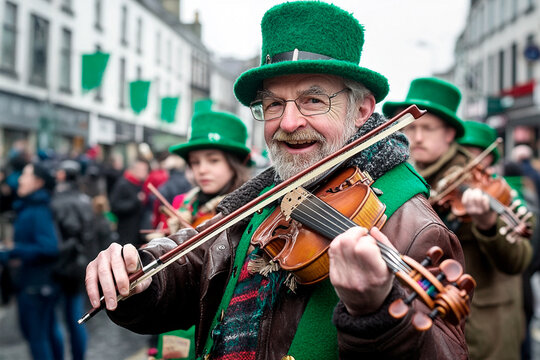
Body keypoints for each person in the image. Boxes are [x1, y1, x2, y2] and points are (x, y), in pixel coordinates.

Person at [85, 2, 467, 359]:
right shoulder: (270, 191)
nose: (288, 123)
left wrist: (378, 315)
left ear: (362, 110)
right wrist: (144, 273)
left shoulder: (417, 226)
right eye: (272, 104)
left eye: (314, 101)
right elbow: (204, 263)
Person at [383, 77, 534, 360]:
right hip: (416, 321)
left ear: (450, 134)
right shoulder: (401, 179)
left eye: (427, 128)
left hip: (478, 330)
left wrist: (488, 225)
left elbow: (519, 260)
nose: (416, 137)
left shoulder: (484, 183)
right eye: (410, 127)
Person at [153, 110, 252, 359]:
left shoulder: (249, 211)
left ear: (233, 162)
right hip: (177, 320)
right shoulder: (183, 204)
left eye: (213, 160)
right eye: (195, 162)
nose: (202, 170)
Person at [0, 161, 63, 360]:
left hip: (36, 284)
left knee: (37, 338)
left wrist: (13, 251)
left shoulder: (38, 209)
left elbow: (50, 247)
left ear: (37, 182)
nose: (20, 179)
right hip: (33, 282)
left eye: (25, 175)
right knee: (45, 334)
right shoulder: (31, 205)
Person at [51, 160, 94, 360]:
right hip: (79, 264)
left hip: (61, 265)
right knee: (75, 316)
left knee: (55, 319)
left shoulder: (57, 200)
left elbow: (64, 234)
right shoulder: (85, 199)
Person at [109, 158, 150, 247]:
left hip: (138, 230)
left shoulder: (139, 184)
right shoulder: (122, 184)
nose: (146, 173)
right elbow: (114, 206)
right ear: (135, 170)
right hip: (126, 231)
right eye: (144, 170)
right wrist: (136, 201)